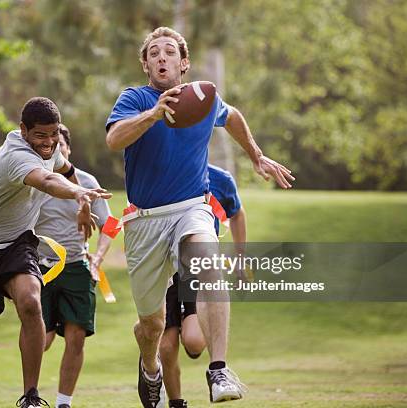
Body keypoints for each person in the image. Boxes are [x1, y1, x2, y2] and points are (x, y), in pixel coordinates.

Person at [105, 26, 294, 407]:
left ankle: (219, 368)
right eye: (154, 53)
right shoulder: (134, 99)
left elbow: (233, 115)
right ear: (145, 65)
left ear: (184, 62)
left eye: (169, 52)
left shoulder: (204, 97)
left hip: (191, 207)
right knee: (152, 324)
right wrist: (154, 115)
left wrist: (255, 155)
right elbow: (114, 139)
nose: (162, 57)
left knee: (209, 262)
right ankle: (150, 366)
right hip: (144, 221)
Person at [0, 97, 111, 408]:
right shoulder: (15, 157)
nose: (48, 143)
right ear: (23, 131)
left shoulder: (51, 150)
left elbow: (65, 168)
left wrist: (83, 205)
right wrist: (78, 192)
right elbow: (47, 180)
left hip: (17, 245)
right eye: (40, 136)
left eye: (53, 135)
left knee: (31, 302)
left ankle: (31, 396)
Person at [35, 124, 112, 408]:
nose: (56, 150)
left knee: (76, 336)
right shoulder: (36, 181)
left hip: (78, 266)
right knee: (41, 339)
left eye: (60, 146)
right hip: (40, 268)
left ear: (67, 150)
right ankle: (31, 395)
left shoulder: (87, 182)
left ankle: (63, 402)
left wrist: (99, 258)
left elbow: (111, 224)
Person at [161, 164, 247, 408]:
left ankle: (217, 371)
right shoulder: (161, 170)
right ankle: (175, 400)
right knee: (166, 345)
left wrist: (241, 257)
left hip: (195, 267)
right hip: (164, 266)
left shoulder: (221, 179)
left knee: (195, 341)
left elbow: (237, 213)